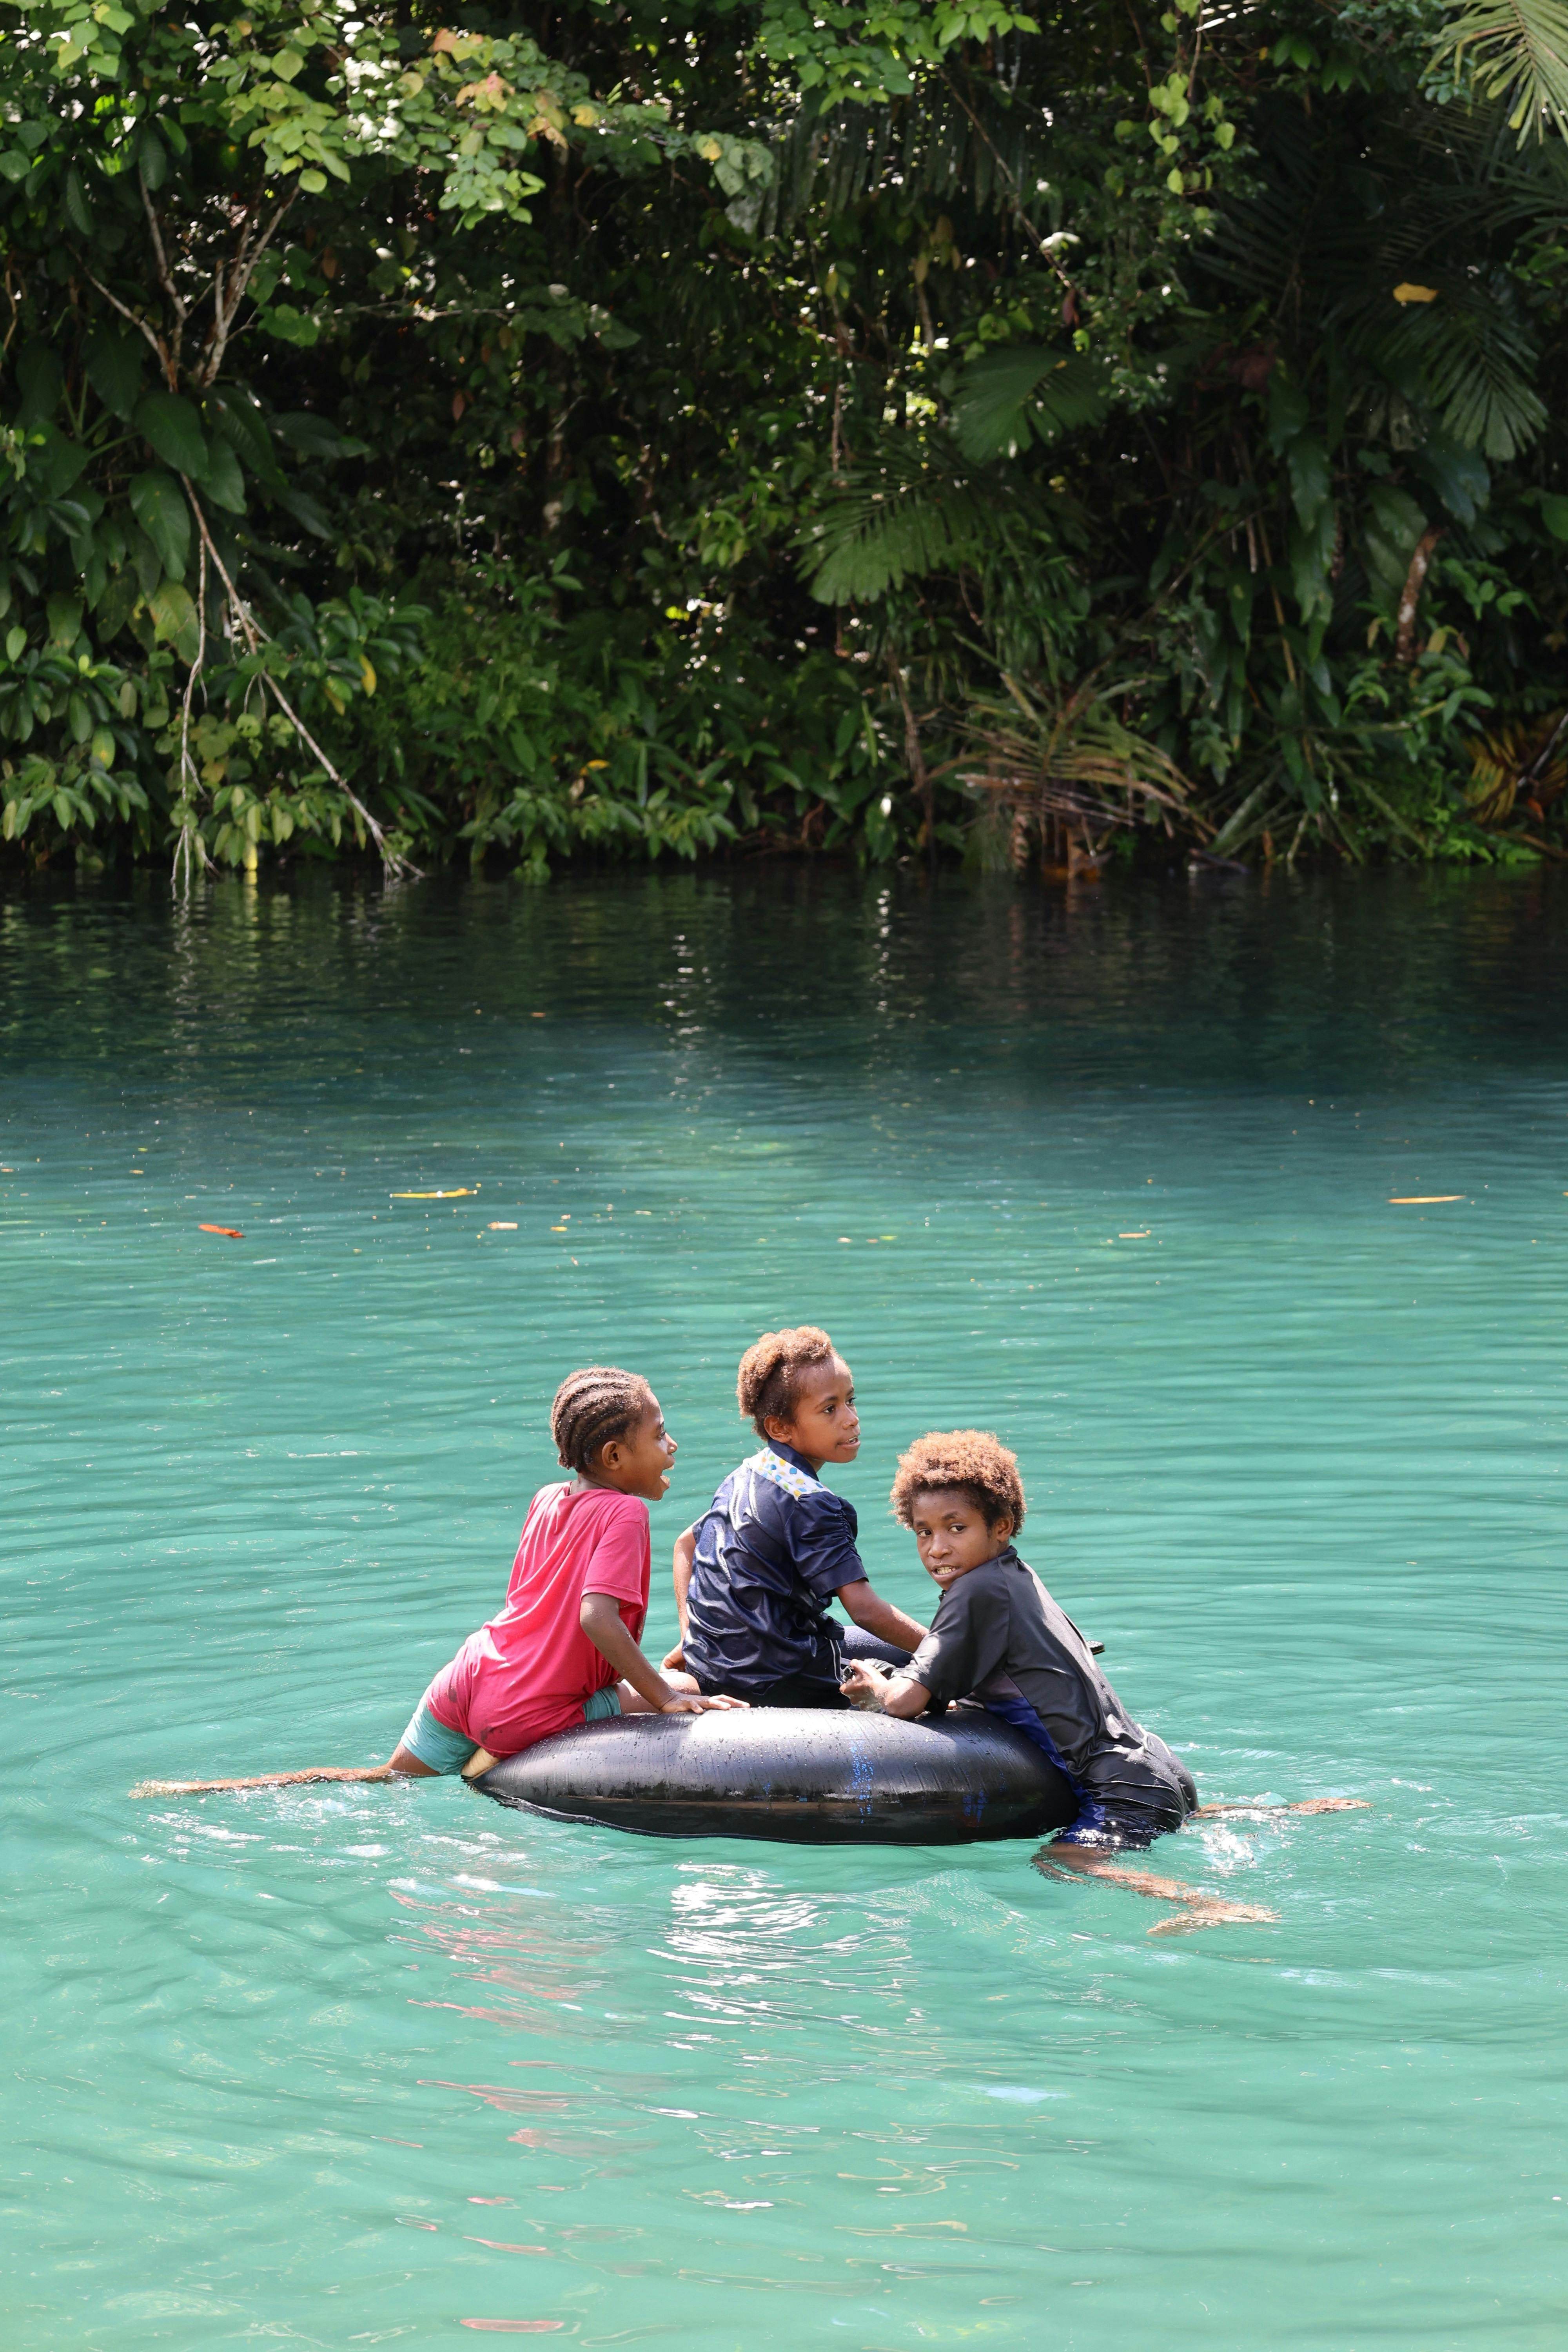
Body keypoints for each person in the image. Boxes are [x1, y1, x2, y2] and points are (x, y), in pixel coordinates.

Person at [132, 1367, 745, 1798]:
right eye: (659, 1434)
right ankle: (488, 1764)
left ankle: (208, 1789)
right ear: (614, 1457)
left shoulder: (546, 1500)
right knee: (688, 1681)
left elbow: (540, 1612)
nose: (672, 1445)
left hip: (468, 1678)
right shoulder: (627, 1513)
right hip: (528, 1710)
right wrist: (665, 1697)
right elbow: (592, 1618)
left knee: (379, 1779)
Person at [841, 1430, 1363, 1933]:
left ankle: (1214, 1904)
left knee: (1062, 1861)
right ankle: (1292, 1813)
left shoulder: (974, 1593)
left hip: (1121, 1789)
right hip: (1157, 1768)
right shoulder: (1014, 1579)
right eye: (923, 1531)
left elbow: (909, 1701)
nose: (937, 1548)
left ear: (1001, 1526)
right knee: (1173, 1822)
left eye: (957, 1528)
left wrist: (876, 1690)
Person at [668, 1325, 927, 1709]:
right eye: (829, 1409)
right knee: (923, 1659)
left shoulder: (746, 1474)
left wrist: (694, 1637)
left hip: (714, 1668)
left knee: (865, 1641)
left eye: (850, 1401)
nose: (851, 1419)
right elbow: (866, 1610)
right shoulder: (812, 1502)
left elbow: (684, 1545)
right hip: (781, 1681)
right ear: (780, 1428)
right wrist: (951, 1651)